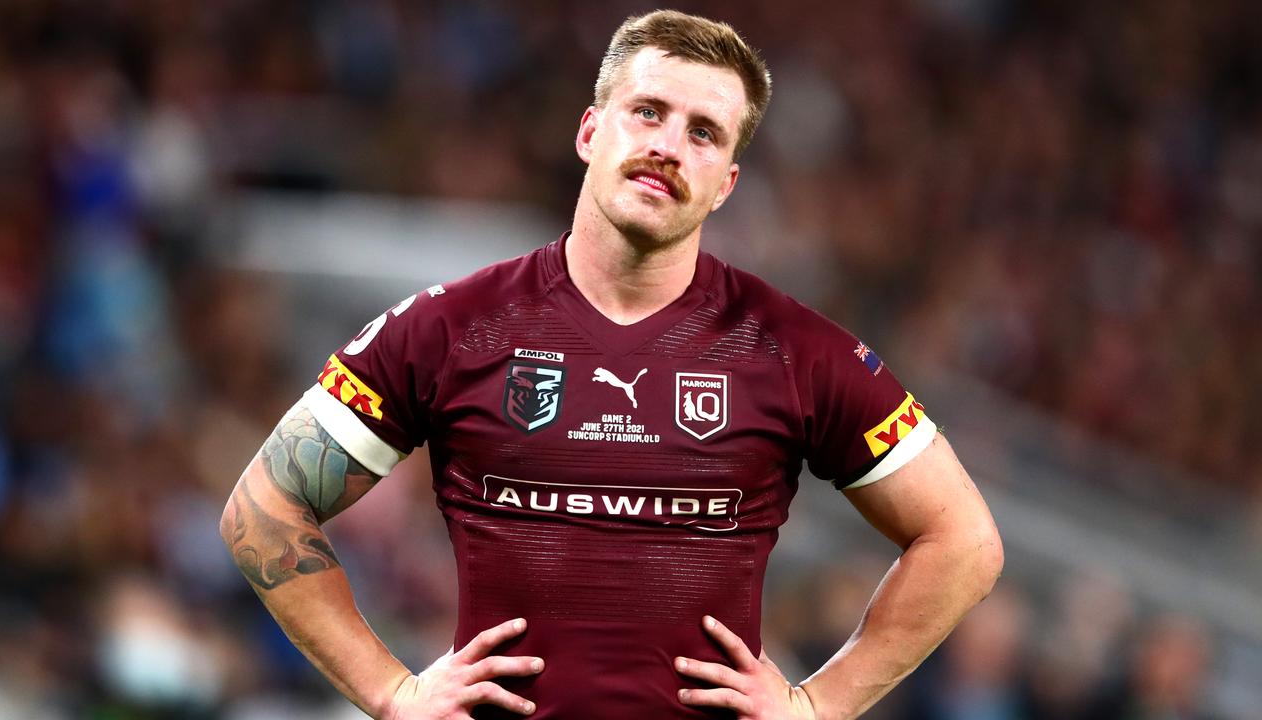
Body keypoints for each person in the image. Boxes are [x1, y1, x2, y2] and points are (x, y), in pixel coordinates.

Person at [219, 10, 1003, 719]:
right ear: (591, 131)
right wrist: (390, 692)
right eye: (649, 112)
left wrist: (818, 706)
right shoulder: (451, 327)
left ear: (726, 183)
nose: (668, 145)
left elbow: (963, 541)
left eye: (704, 132)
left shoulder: (794, 349)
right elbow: (262, 507)